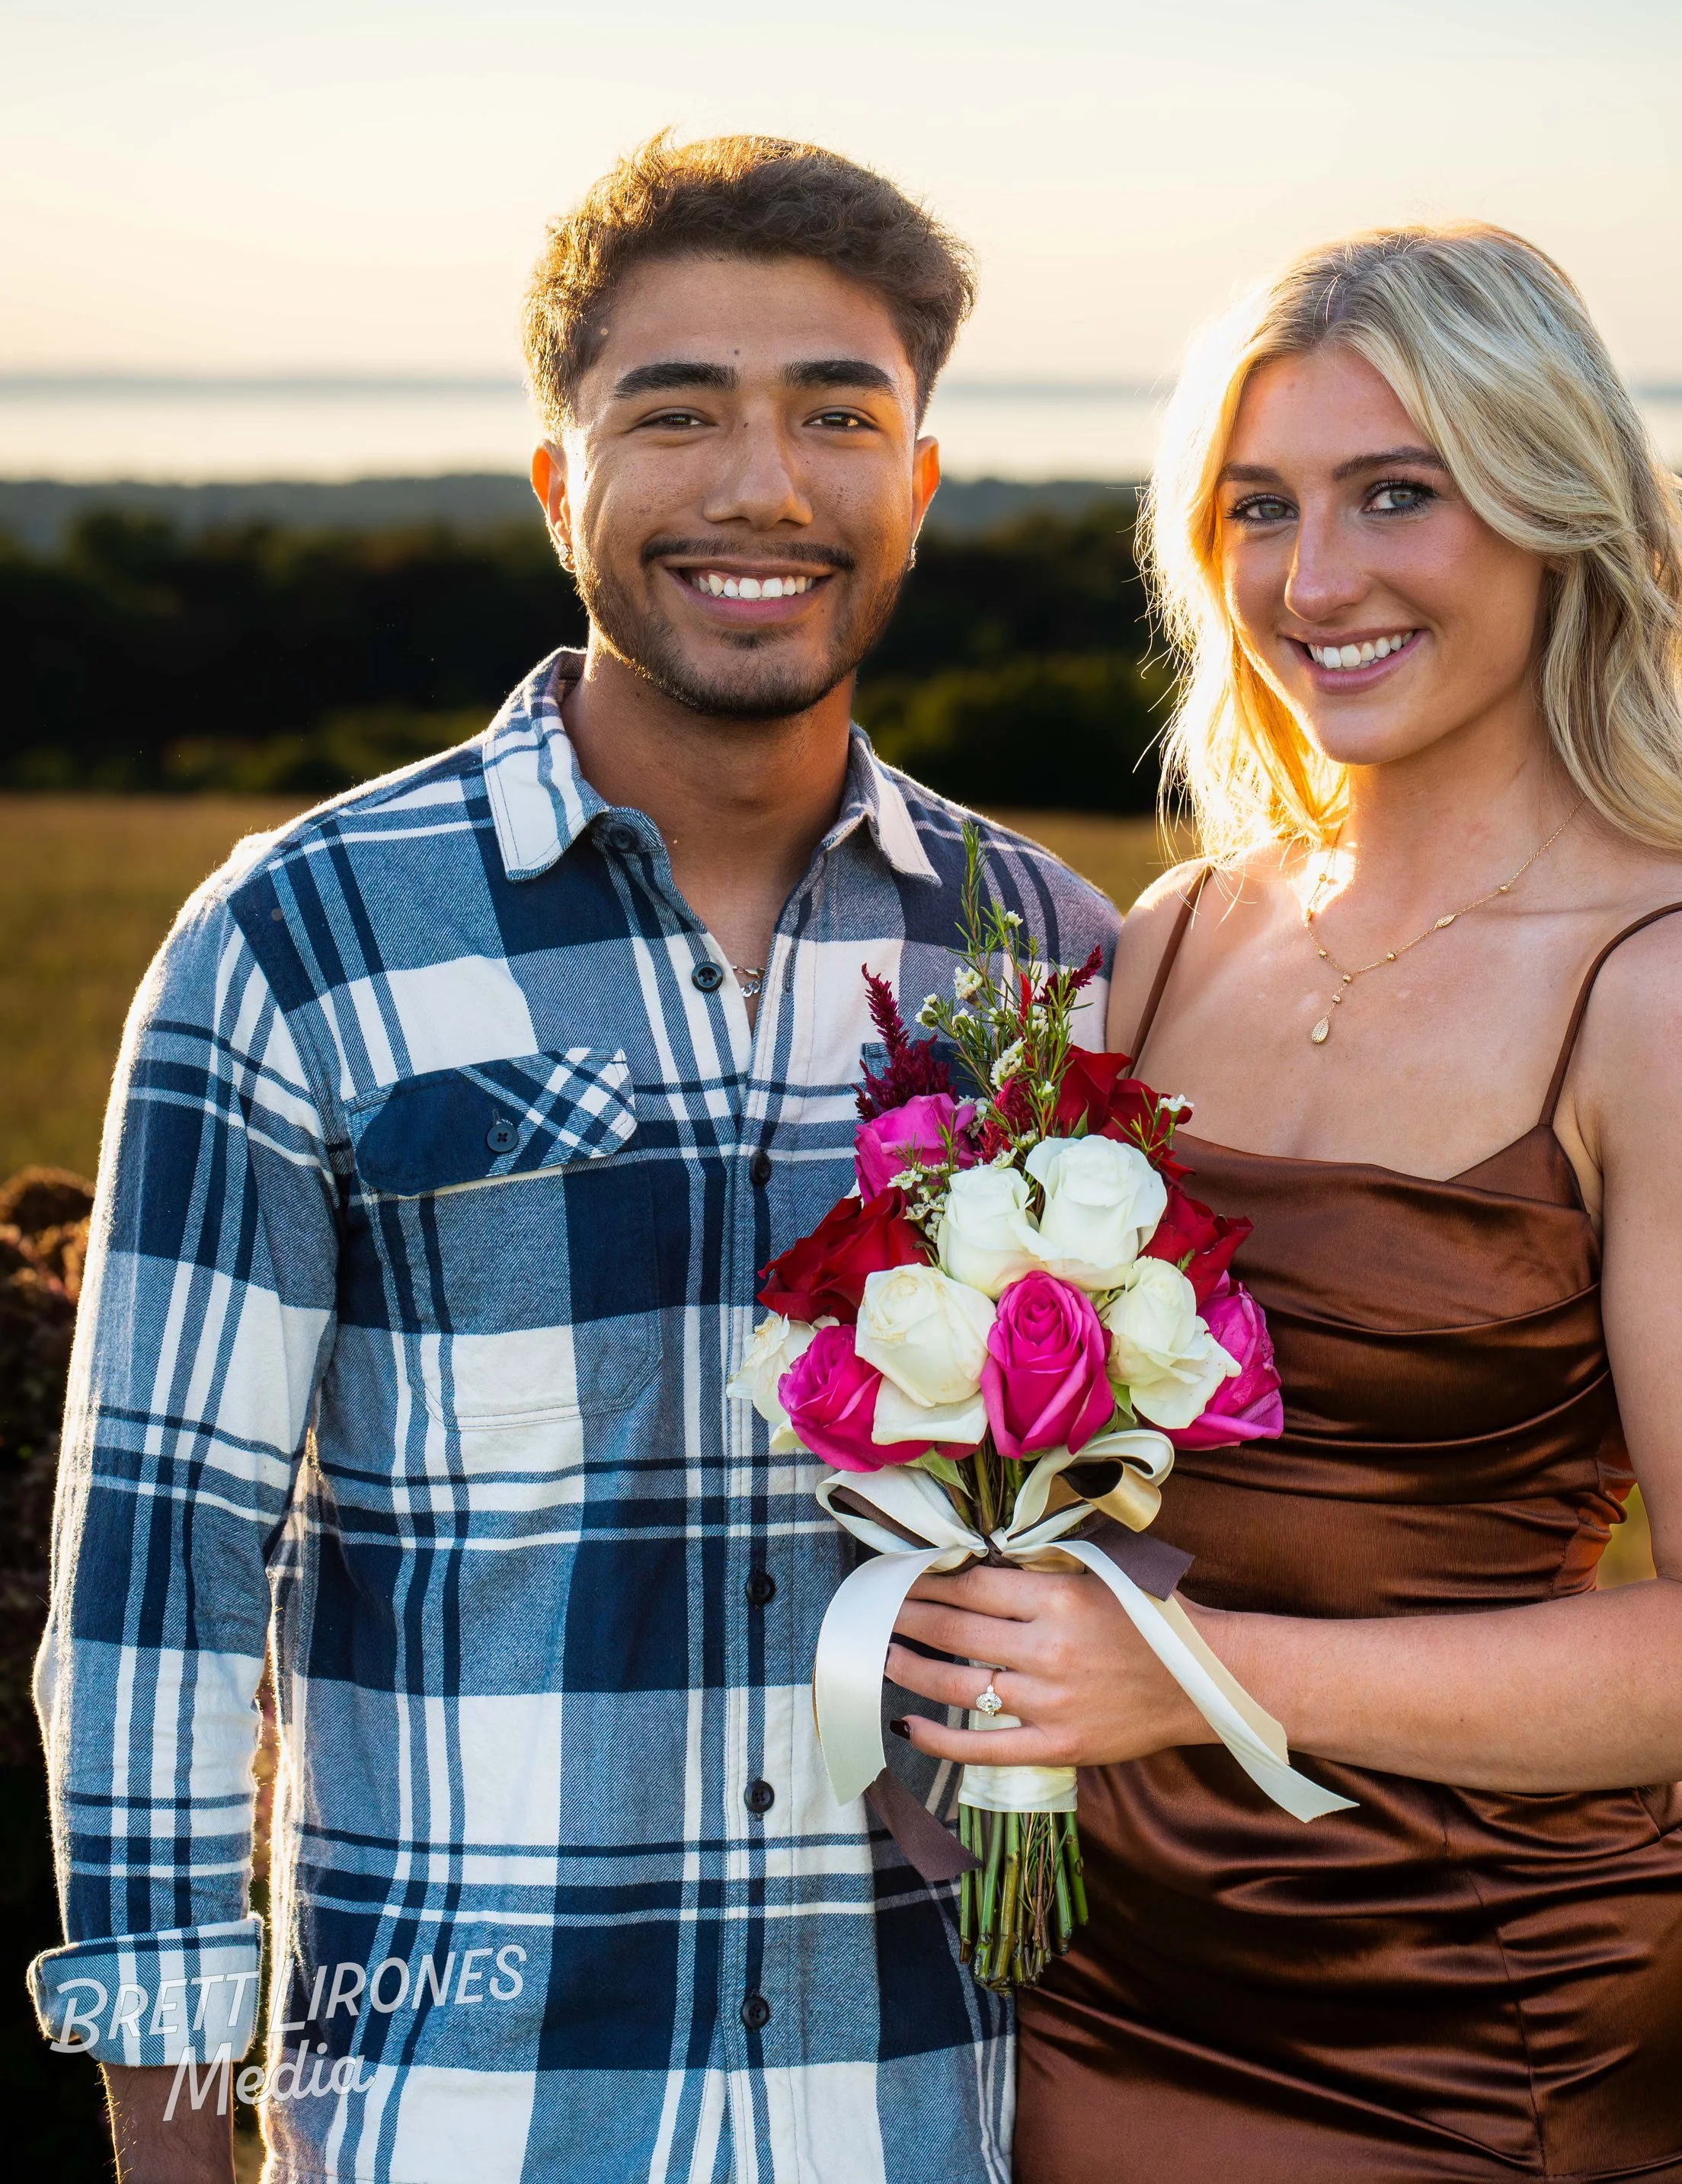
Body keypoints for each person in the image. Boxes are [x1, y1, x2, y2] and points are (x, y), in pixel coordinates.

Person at [28, 133, 1114, 2183]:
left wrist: (1670, 1797)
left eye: (835, 413)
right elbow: (154, 1595)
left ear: (919, 485)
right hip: (462, 2121)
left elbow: (1232, 1529)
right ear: (558, 483)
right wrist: (170, 2148)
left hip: (926, 2116)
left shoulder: (1046, 958)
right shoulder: (301, 939)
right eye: (673, 408)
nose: (759, 484)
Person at [887, 225, 1682, 2183]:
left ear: (1551, 511)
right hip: (1099, 1995)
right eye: (1259, 508)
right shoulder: (1169, 944)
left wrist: (1179, 1684)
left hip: (1471, 2029)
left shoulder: (1664, 988)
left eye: (1394, 494)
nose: (1313, 582)